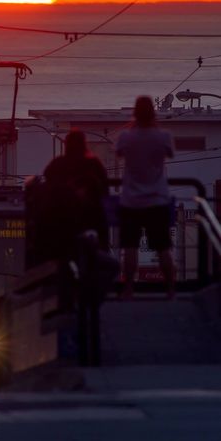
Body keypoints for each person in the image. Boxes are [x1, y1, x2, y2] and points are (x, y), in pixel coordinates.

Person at [116, 95, 175, 299]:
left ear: (135, 112)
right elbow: (170, 154)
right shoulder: (163, 136)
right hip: (157, 198)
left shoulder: (126, 137)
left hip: (131, 200)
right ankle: (170, 290)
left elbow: (118, 153)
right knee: (163, 248)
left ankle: (129, 288)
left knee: (130, 247)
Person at [43, 129, 110, 251]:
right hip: (91, 220)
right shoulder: (93, 164)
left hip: (63, 223)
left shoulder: (58, 164)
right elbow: (104, 188)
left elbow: (47, 178)